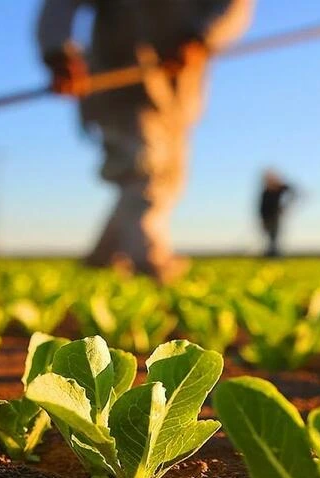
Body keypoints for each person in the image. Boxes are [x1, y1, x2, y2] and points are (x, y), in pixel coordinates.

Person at [37, 0, 254, 281]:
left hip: (178, 89)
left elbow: (233, 7)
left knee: (169, 180)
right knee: (143, 171)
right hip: (120, 81)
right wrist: (58, 52)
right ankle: (149, 259)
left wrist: (202, 38)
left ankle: (101, 260)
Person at [258, 169, 295, 257]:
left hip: (275, 217)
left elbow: (292, 192)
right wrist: (263, 220)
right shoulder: (265, 192)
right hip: (267, 218)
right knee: (270, 237)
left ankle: (274, 254)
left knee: (274, 236)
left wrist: (285, 205)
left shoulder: (280, 188)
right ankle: (271, 253)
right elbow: (262, 208)